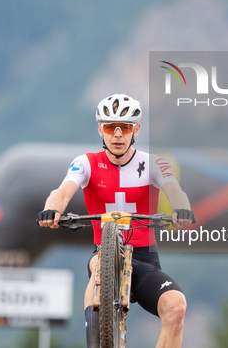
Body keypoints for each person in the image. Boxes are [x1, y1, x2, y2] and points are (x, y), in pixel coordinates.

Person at [37, 93, 195, 348]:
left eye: (126, 127)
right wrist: (51, 209)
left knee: (176, 308)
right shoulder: (85, 163)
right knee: (99, 267)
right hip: (104, 252)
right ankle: (95, 343)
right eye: (111, 127)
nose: (118, 134)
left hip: (144, 261)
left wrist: (181, 209)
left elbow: (175, 190)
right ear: (101, 129)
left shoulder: (154, 162)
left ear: (137, 130)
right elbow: (62, 191)